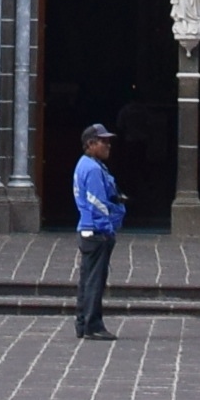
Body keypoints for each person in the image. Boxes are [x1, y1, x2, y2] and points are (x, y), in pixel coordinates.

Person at [69, 122, 122, 340]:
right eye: (104, 141)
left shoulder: (87, 164)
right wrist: (107, 228)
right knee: (94, 280)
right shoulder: (91, 169)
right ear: (91, 144)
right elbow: (96, 202)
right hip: (96, 231)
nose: (108, 145)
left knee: (88, 278)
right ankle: (92, 325)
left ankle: (83, 322)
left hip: (89, 230)